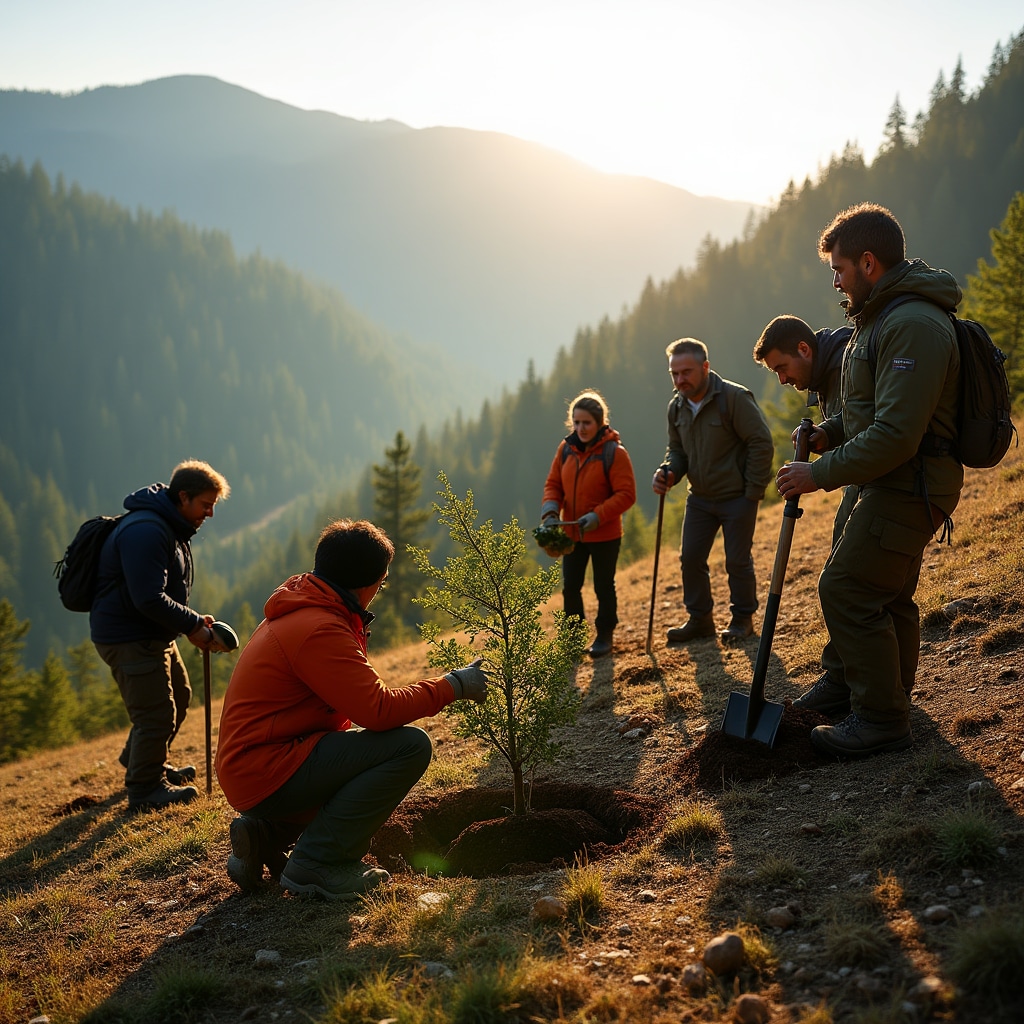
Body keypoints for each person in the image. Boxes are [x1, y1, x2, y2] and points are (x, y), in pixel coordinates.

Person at [215, 518, 490, 900]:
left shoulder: (309, 608)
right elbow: (376, 711)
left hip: (261, 762)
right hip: (266, 767)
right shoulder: (319, 628)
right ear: (370, 582)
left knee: (353, 755)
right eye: (384, 579)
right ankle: (318, 862)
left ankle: (264, 836)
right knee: (408, 746)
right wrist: (452, 685)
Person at [776, 202, 963, 757]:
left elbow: (897, 435)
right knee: (890, 594)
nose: (834, 280)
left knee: (847, 588)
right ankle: (877, 691)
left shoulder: (911, 324)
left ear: (868, 262)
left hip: (908, 482)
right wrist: (830, 434)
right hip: (893, 479)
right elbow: (869, 412)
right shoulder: (879, 318)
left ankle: (881, 719)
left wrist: (817, 474)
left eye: (838, 268)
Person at [90, 459, 231, 812]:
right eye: (205, 504)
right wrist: (193, 624)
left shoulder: (170, 525)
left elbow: (164, 592)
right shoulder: (147, 531)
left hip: (153, 633)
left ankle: (140, 760)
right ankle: (144, 790)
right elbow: (148, 598)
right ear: (183, 496)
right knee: (155, 715)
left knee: (180, 697)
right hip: (128, 637)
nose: (210, 513)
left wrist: (190, 621)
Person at [653, 338, 774, 645]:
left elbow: (761, 442)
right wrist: (669, 471)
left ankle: (742, 619)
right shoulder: (676, 408)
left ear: (705, 367)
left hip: (738, 497)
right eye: (674, 373)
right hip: (700, 498)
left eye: (687, 372)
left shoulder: (733, 398)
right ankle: (700, 620)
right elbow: (677, 451)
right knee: (690, 558)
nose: (680, 379)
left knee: (736, 560)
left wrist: (753, 491)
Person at [540, 390, 637, 658]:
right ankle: (573, 638)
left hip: (605, 534)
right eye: (577, 422)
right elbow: (553, 485)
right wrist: (550, 512)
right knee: (571, 586)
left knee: (603, 586)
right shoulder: (565, 449)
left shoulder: (614, 453)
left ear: (600, 423)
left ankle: (605, 635)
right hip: (573, 534)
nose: (581, 428)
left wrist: (597, 516)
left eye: (587, 423)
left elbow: (627, 495)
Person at [753, 314, 852, 419]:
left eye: (782, 368)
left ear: (804, 349)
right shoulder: (824, 374)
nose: (782, 380)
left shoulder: (849, 368)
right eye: (776, 372)